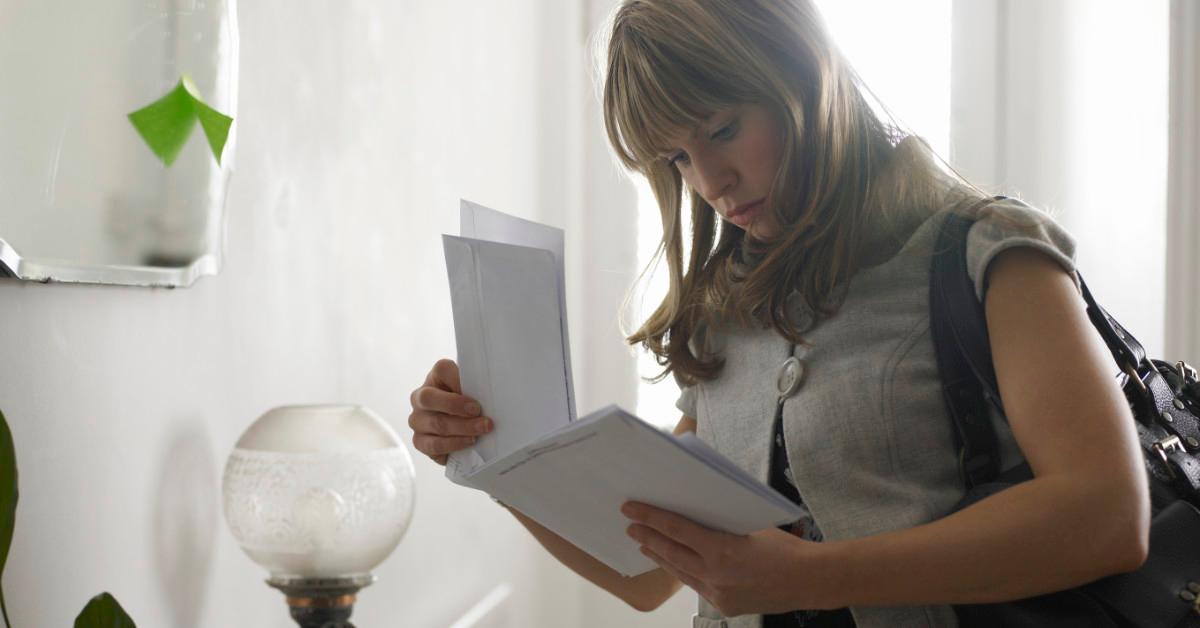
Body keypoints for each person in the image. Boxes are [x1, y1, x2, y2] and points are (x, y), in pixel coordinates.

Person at [407, 1, 1150, 626]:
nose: (711, 181)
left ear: (803, 73)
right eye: (677, 160)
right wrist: (491, 457)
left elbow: (1109, 516)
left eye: (723, 130)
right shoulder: (723, 307)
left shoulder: (988, 252)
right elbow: (647, 574)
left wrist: (814, 576)